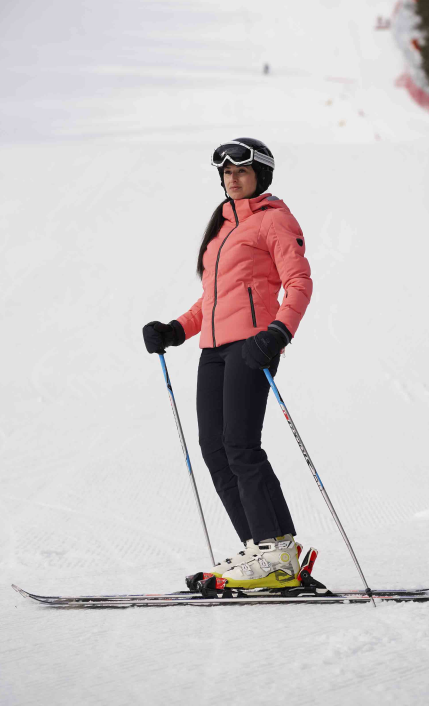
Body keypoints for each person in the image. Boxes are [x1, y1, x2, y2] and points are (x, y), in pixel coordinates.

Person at [143, 138, 313, 589]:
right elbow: (213, 300)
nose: (232, 178)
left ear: (261, 175)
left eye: (241, 170)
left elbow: (299, 282)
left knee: (241, 446)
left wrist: (278, 333)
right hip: (214, 351)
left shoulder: (274, 220)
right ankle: (261, 550)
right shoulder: (221, 226)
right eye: (226, 172)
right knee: (214, 449)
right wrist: (175, 329)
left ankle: (276, 550)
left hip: (252, 347)